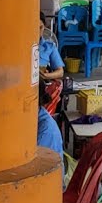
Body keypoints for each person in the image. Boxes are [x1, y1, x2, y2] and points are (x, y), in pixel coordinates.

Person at [36, 18, 65, 155]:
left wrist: (46, 76)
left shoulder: (49, 47)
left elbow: (60, 71)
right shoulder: (19, 47)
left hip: (42, 85)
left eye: (41, 27)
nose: (38, 31)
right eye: (34, 27)